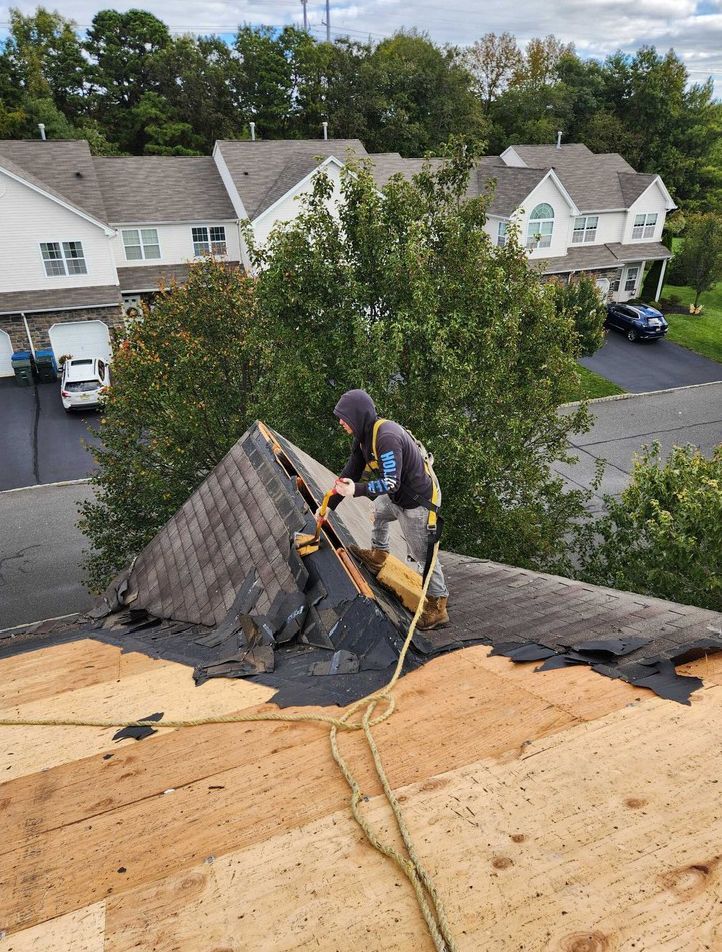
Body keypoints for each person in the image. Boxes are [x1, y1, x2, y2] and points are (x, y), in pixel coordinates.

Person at [324, 389, 449, 631]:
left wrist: (356, 490)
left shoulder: (386, 437)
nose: (341, 422)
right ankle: (378, 555)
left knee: (423, 555)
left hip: (417, 502)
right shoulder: (364, 437)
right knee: (379, 510)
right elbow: (351, 470)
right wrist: (328, 505)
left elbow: (392, 482)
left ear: (358, 416)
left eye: (344, 417)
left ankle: (438, 605)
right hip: (396, 495)